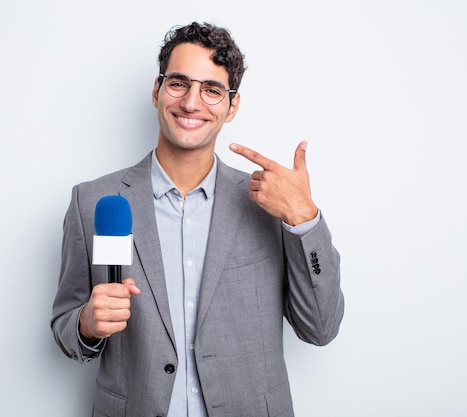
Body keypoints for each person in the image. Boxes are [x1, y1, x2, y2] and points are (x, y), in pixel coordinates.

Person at [51, 21, 344, 417]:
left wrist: (303, 217)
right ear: (157, 90)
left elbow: (320, 329)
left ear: (232, 106)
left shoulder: (272, 205)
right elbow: (65, 328)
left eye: (211, 90)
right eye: (178, 83)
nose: (191, 102)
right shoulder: (94, 202)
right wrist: (86, 323)